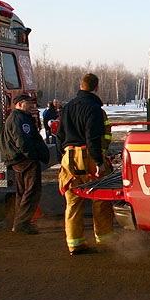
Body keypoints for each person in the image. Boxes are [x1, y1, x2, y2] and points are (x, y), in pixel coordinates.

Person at [56, 74, 115, 255]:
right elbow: (92, 137)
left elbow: (59, 136)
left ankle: (74, 243)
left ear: (80, 86)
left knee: (72, 202)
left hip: (69, 158)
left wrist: (63, 158)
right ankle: (105, 240)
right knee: (100, 199)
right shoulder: (94, 108)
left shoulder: (67, 107)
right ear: (96, 88)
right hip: (89, 157)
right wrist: (99, 162)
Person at [0, 94, 50, 234]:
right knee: (32, 191)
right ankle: (22, 224)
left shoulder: (17, 117)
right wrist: (32, 156)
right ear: (20, 104)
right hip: (24, 160)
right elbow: (22, 141)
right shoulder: (19, 119)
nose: (31, 106)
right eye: (28, 103)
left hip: (19, 160)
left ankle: (20, 222)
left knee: (23, 192)